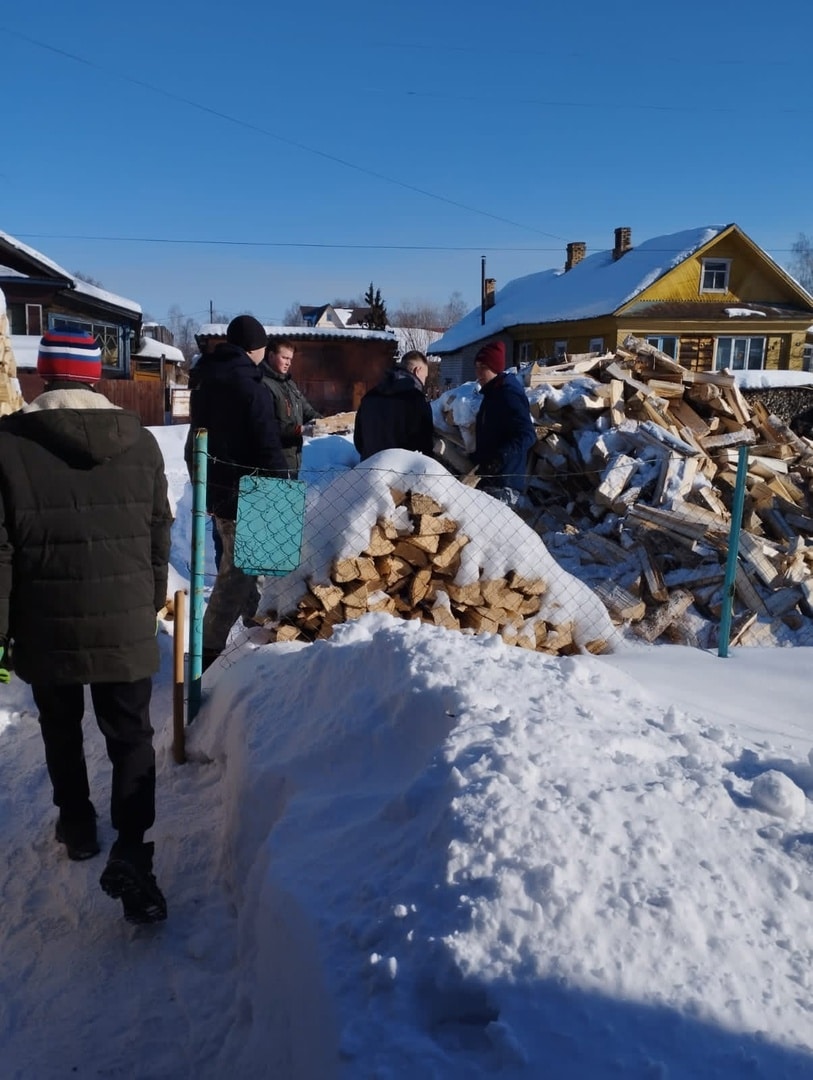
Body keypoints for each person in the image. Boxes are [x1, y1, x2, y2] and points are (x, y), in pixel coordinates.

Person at [0, 329, 172, 924]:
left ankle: (77, 825)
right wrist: (148, 603)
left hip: (44, 623)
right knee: (130, 736)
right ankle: (132, 845)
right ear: (98, 379)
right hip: (125, 618)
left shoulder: (7, 444)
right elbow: (159, 533)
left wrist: (0, 634)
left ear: (41, 377)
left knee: (60, 725)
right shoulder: (143, 442)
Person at [186, 315, 287, 670]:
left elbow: (193, 443)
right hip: (253, 492)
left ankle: (253, 635)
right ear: (254, 348)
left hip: (217, 489)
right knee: (237, 576)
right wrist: (281, 485)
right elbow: (266, 442)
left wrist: (205, 490)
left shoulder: (205, 380)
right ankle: (207, 652)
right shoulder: (250, 386)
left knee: (247, 570)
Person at [470, 341, 536, 497]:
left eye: (483, 368)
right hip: (490, 480)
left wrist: (499, 458)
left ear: (495, 368)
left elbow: (528, 435)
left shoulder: (509, 394)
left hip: (505, 483)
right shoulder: (492, 393)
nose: (478, 373)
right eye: (476, 367)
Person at [353, 350, 435, 461]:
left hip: (368, 471)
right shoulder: (417, 400)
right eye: (425, 377)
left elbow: (359, 441)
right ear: (417, 370)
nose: (424, 382)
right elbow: (426, 446)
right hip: (402, 474)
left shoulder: (369, 397)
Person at [260, 339, 322, 478]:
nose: (288, 363)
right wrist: (300, 430)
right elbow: (268, 426)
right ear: (270, 356)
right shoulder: (263, 384)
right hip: (273, 462)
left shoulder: (290, 384)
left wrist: (330, 424)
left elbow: (307, 411)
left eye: (290, 359)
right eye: (284, 358)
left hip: (293, 459)